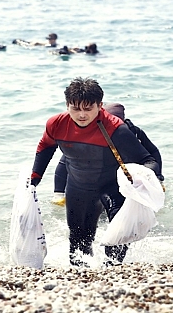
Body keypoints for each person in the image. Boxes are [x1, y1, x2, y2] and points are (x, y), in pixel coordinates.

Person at [30, 77, 161, 266]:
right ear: (67, 105)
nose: (81, 115)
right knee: (79, 240)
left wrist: (145, 179)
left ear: (100, 105)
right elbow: (45, 148)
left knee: (119, 236)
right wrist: (34, 178)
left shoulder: (116, 129)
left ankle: (113, 272)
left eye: (88, 108)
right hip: (78, 188)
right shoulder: (56, 124)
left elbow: (148, 159)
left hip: (112, 187)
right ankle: (80, 277)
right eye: (75, 108)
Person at [52, 102, 163, 206]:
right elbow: (64, 162)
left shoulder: (130, 132)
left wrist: (157, 178)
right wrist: (58, 193)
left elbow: (153, 153)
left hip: (123, 170)